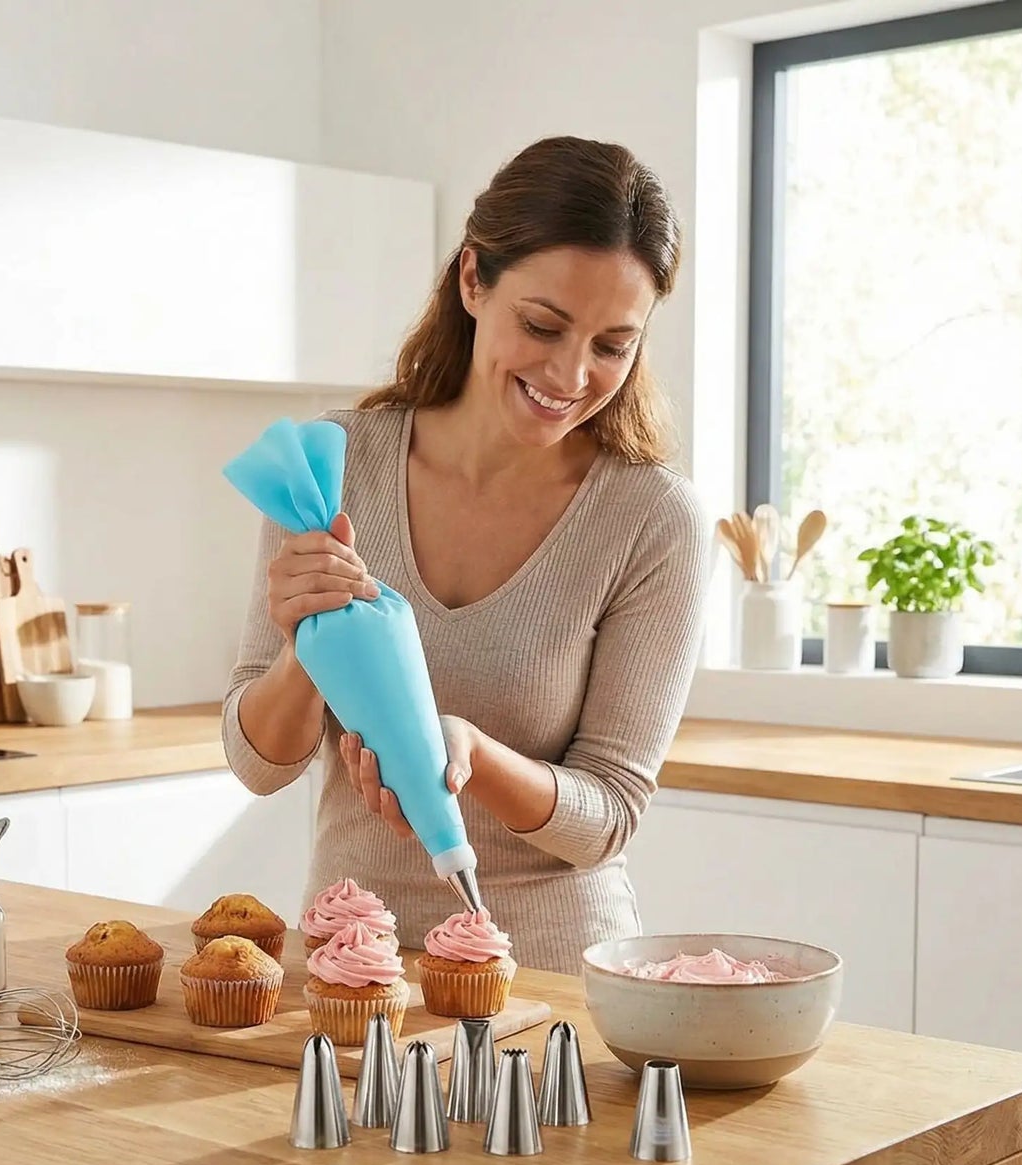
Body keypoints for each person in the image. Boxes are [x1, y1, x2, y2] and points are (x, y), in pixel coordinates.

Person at [222, 135, 710, 973]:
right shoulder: (330, 468)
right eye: (543, 325)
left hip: (553, 981)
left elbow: (609, 814)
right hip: (350, 965)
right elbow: (257, 766)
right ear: (473, 279)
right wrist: (308, 645)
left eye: (611, 344)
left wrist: (470, 756)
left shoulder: (651, 519)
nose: (570, 372)